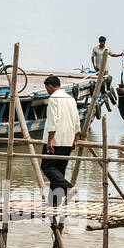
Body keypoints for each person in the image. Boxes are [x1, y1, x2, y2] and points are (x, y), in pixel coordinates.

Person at [40, 75, 79, 207]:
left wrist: (50, 140)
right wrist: (75, 139)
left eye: (47, 88)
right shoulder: (70, 99)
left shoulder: (54, 98)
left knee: (47, 166)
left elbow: (53, 120)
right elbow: (76, 120)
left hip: (56, 139)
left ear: (51, 86)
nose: (47, 91)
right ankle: (54, 202)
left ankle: (68, 188)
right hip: (67, 139)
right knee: (59, 170)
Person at [90, 36, 123, 107]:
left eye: (104, 42)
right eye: (101, 42)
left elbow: (112, 54)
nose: (103, 43)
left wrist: (120, 55)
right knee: (100, 82)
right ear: (99, 42)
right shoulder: (95, 49)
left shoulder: (107, 48)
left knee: (106, 81)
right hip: (98, 69)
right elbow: (92, 57)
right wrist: (94, 66)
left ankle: (107, 93)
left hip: (106, 69)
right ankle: (103, 94)